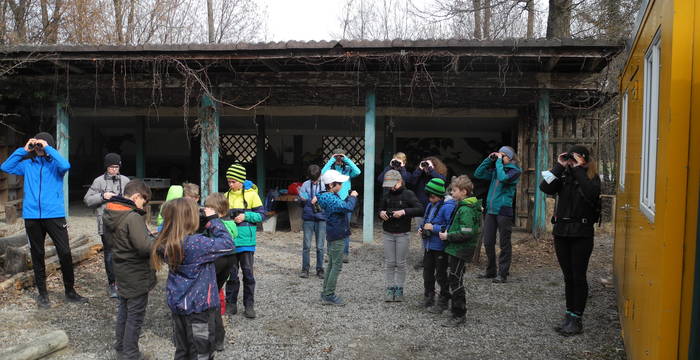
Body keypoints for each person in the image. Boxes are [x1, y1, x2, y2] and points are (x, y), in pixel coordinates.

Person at [0, 132, 87, 308]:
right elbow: (6, 167)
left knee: (64, 252)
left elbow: (66, 164)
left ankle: (70, 291)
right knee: (37, 255)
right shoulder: (27, 165)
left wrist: (48, 147)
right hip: (32, 216)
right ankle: (43, 294)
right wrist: (23, 150)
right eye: (37, 144)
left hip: (54, 214)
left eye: (42, 144)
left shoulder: (56, 165)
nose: (39, 147)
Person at [151, 198, 235, 360]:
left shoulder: (165, 240)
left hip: (178, 306)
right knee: (201, 351)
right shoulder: (196, 244)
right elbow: (228, 244)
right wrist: (213, 221)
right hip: (199, 310)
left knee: (182, 350)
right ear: (190, 219)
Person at [539, 145, 601, 336]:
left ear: (583, 159)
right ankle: (569, 315)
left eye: (575, 158)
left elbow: (591, 193)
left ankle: (577, 319)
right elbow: (545, 187)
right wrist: (559, 166)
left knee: (578, 276)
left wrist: (577, 169)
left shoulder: (592, 177)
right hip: (562, 232)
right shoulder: (563, 176)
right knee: (568, 277)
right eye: (570, 157)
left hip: (581, 233)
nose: (571, 161)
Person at [102, 179, 154, 360]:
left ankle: (121, 345)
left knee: (124, 309)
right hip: (135, 272)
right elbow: (144, 247)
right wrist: (155, 242)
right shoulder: (132, 217)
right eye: (143, 202)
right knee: (135, 315)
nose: (143, 206)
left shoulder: (110, 211)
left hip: (120, 267)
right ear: (136, 196)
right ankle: (131, 354)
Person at [83, 153, 130, 298]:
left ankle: (125, 282)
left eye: (116, 167)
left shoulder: (125, 180)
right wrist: (102, 196)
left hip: (123, 222)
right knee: (109, 254)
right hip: (105, 223)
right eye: (111, 167)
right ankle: (112, 284)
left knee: (125, 253)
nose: (114, 170)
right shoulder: (98, 181)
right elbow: (87, 200)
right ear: (106, 167)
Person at [438, 175, 482, 327]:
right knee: (455, 278)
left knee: (455, 279)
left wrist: (448, 236)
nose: (451, 193)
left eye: (454, 190)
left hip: (461, 249)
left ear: (464, 192)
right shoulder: (463, 206)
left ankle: (459, 314)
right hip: (457, 248)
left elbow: (467, 232)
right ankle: (455, 311)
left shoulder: (466, 210)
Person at [473, 146, 522, 283]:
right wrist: (488, 160)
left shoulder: (515, 171)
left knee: (504, 243)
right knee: (488, 242)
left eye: (503, 155)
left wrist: (498, 162)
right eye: (499, 155)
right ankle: (491, 271)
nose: (500, 158)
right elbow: (478, 173)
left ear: (510, 158)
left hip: (503, 210)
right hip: (490, 211)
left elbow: (503, 178)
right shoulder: (497, 169)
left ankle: (503, 273)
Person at [223, 164, 265, 319]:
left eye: (233, 181)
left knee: (248, 274)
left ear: (241, 180)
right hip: (230, 242)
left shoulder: (252, 195)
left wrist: (246, 216)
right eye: (228, 182)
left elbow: (262, 216)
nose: (230, 185)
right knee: (231, 275)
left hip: (247, 242)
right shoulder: (225, 196)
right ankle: (231, 304)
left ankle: (249, 305)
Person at [378, 170, 423, 302]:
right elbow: (379, 209)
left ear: (400, 181)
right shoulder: (386, 195)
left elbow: (420, 209)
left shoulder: (409, 194)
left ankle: (399, 289)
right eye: (389, 185)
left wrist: (404, 212)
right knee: (390, 263)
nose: (391, 187)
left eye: (393, 184)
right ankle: (389, 288)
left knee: (401, 263)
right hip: (388, 233)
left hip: (403, 233)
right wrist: (381, 213)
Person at [317, 169, 359, 306]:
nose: (341, 185)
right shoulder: (331, 198)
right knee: (337, 266)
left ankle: (326, 292)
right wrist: (352, 197)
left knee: (331, 264)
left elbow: (341, 206)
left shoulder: (327, 196)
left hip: (333, 233)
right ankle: (329, 294)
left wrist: (347, 197)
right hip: (337, 234)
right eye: (339, 183)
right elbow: (348, 208)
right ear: (331, 185)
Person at [202, 192, 238, 351]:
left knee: (208, 298)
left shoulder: (218, 224)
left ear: (220, 211)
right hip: (229, 260)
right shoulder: (227, 223)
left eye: (209, 208)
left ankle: (210, 338)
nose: (205, 210)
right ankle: (218, 338)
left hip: (219, 260)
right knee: (214, 296)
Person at [418, 178, 456, 312]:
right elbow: (426, 219)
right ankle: (429, 296)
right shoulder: (430, 205)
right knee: (427, 273)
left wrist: (433, 228)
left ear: (439, 196)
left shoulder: (448, 206)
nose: (429, 199)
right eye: (428, 196)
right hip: (428, 245)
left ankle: (444, 300)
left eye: (432, 196)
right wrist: (422, 227)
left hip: (440, 247)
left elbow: (450, 227)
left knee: (440, 274)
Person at [321, 148, 361, 263]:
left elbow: (358, 171)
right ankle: (329, 253)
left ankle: (345, 253)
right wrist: (331, 160)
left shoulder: (347, 169)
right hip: (332, 200)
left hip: (344, 201)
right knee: (330, 228)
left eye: (340, 157)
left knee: (345, 228)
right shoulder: (330, 170)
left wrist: (346, 159)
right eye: (337, 157)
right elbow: (322, 173)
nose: (339, 159)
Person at [408, 156, 448, 269]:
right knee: (423, 235)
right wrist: (419, 169)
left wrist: (431, 170)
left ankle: (437, 258)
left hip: (435, 209)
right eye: (425, 165)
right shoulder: (420, 175)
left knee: (435, 234)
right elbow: (412, 182)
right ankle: (425, 259)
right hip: (420, 208)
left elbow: (442, 180)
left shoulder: (436, 174)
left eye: (428, 165)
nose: (426, 167)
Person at [298, 164, 326, 279]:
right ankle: (305, 269)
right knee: (306, 245)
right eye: (312, 180)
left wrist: (319, 198)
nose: (314, 182)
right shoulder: (305, 184)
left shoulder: (325, 184)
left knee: (320, 246)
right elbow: (301, 200)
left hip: (321, 218)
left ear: (320, 176)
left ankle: (320, 269)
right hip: (308, 218)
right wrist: (303, 198)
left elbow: (329, 198)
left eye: (316, 180)